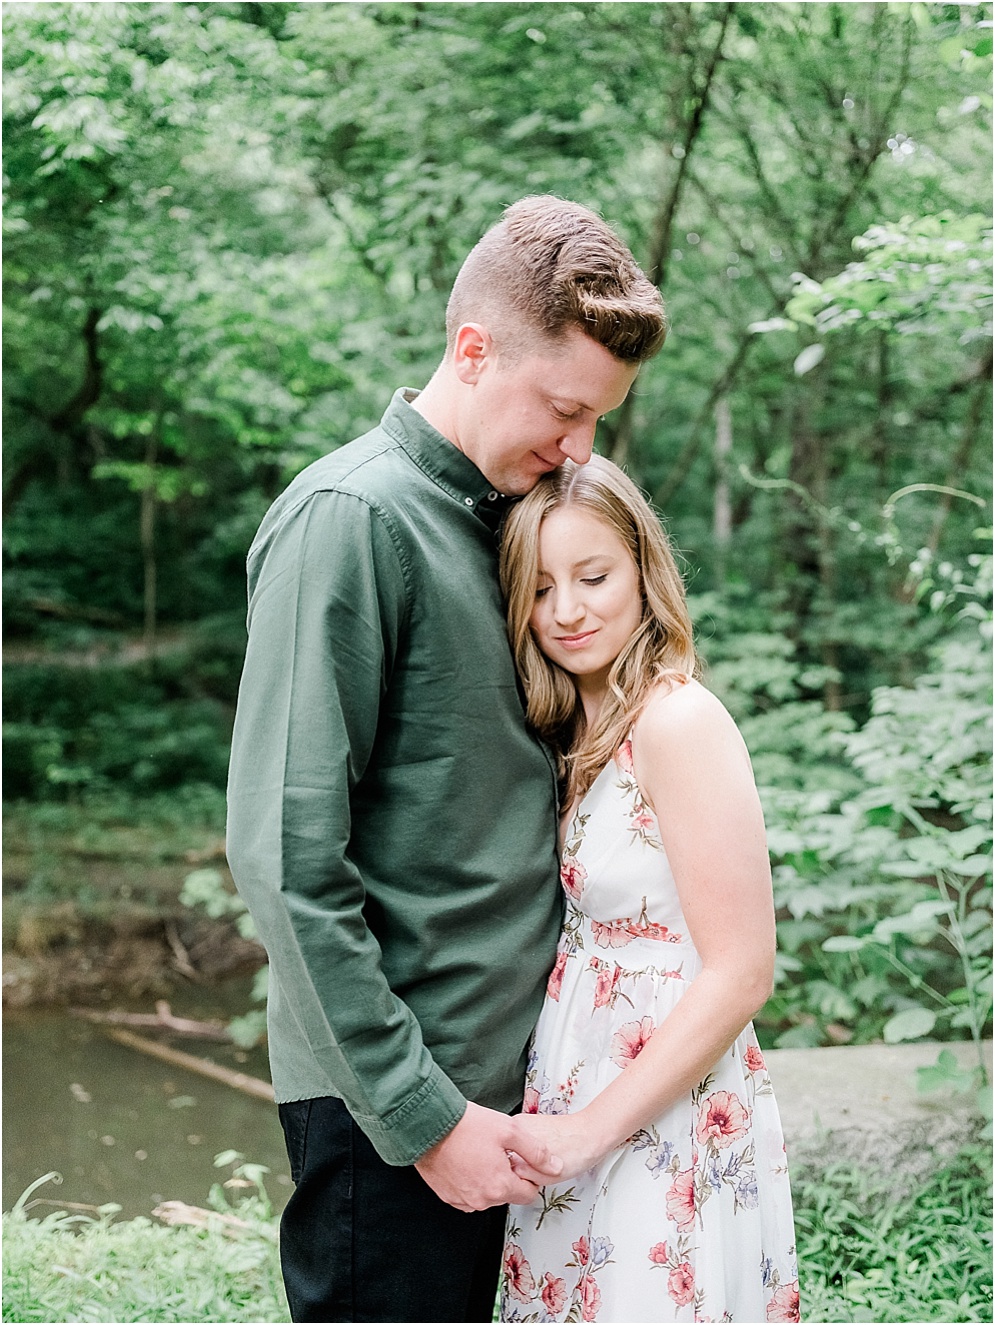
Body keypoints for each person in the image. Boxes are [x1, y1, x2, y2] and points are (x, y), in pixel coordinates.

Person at [225, 197, 667, 1323]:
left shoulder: (517, 524)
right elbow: (283, 857)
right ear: (472, 350)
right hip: (398, 1118)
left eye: (598, 420)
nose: (579, 449)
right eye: (564, 409)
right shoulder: (350, 518)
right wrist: (425, 1116)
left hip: (526, 1109)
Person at [496, 455, 799, 1324]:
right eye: (541, 586)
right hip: (575, 1082)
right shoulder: (572, 726)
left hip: (656, 1101)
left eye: (592, 576)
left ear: (642, 569)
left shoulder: (677, 720)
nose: (567, 610)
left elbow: (741, 969)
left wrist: (590, 1127)